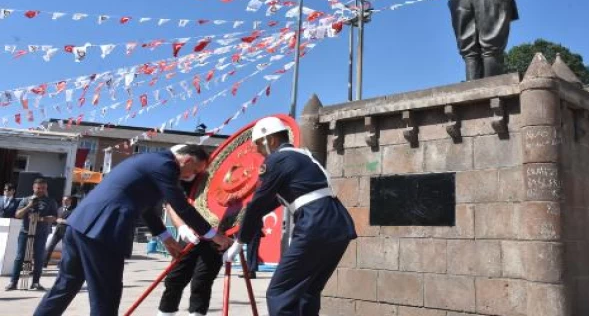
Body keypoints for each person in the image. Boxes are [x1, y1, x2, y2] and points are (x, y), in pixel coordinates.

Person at [33, 144, 233, 316]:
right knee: (106, 294)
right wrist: (214, 236)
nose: (192, 177)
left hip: (80, 225)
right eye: (195, 170)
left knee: (65, 286)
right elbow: (181, 206)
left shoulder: (150, 161)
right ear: (187, 160)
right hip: (104, 230)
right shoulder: (166, 165)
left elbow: (146, 208)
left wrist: (165, 237)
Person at [223, 116, 357, 316]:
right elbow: (273, 201)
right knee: (307, 291)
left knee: (279, 293)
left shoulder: (277, 159)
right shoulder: (302, 156)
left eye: (259, 145)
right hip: (338, 224)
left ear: (272, 140)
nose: (258, 151)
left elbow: (256, 205)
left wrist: (239, 241)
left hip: (315, 222)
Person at [156, 169, 222, 316]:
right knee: (174, 279)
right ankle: (166, 312)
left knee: (201, 282)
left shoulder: (219, 178)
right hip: (190, 235)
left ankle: (197, 313)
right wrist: (182, 227)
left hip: (215, 238)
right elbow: (171, 203)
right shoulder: (187, 179)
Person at [6, 178, 58, 291]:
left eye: (43, 188)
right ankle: (13, 282)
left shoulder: (50, 201)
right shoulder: (25, 200)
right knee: (19, 257)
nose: (40, 190)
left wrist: (42, 218)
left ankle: (35, 282)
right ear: (33, 188)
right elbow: (18, 215)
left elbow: (54, 217)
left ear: (46, 188)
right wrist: (29, 206)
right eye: (38, 188)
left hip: (40, 234)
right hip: (25, 232)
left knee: (39, 258)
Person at [44, 195, 76, 268]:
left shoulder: (73, 210)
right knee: (50, 246)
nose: (64, 201)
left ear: (70, 201)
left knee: (65, 249)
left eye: (66, 200)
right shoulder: (60, 209)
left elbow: (73, 221)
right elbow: (56, 218)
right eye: (63, 200)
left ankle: (61, 265)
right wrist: (55, 220)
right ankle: (44, 263)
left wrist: (63, 221)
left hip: (66, 231)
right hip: (58, 231)